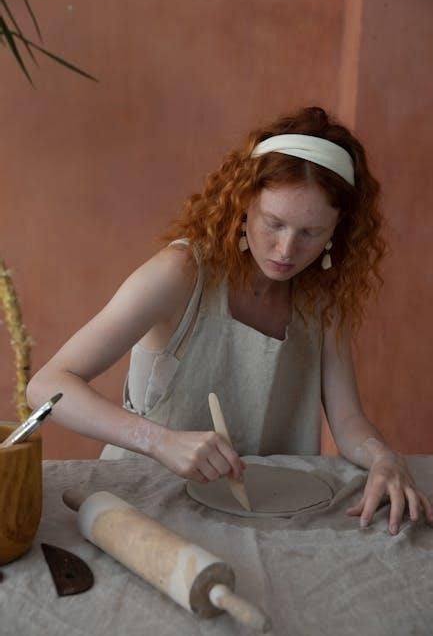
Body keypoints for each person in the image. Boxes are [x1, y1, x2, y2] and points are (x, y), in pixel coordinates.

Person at [27, 106, 433, 536]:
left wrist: (384, 457)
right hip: (145, 504)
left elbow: (349, 422)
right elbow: (48, 385)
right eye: (273, 223)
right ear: (243, 203)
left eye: (310, 232)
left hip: (267, 513)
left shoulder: (322, 299)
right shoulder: (182, 273)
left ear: (338, 230)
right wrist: (160, 441)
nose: (286, 250)